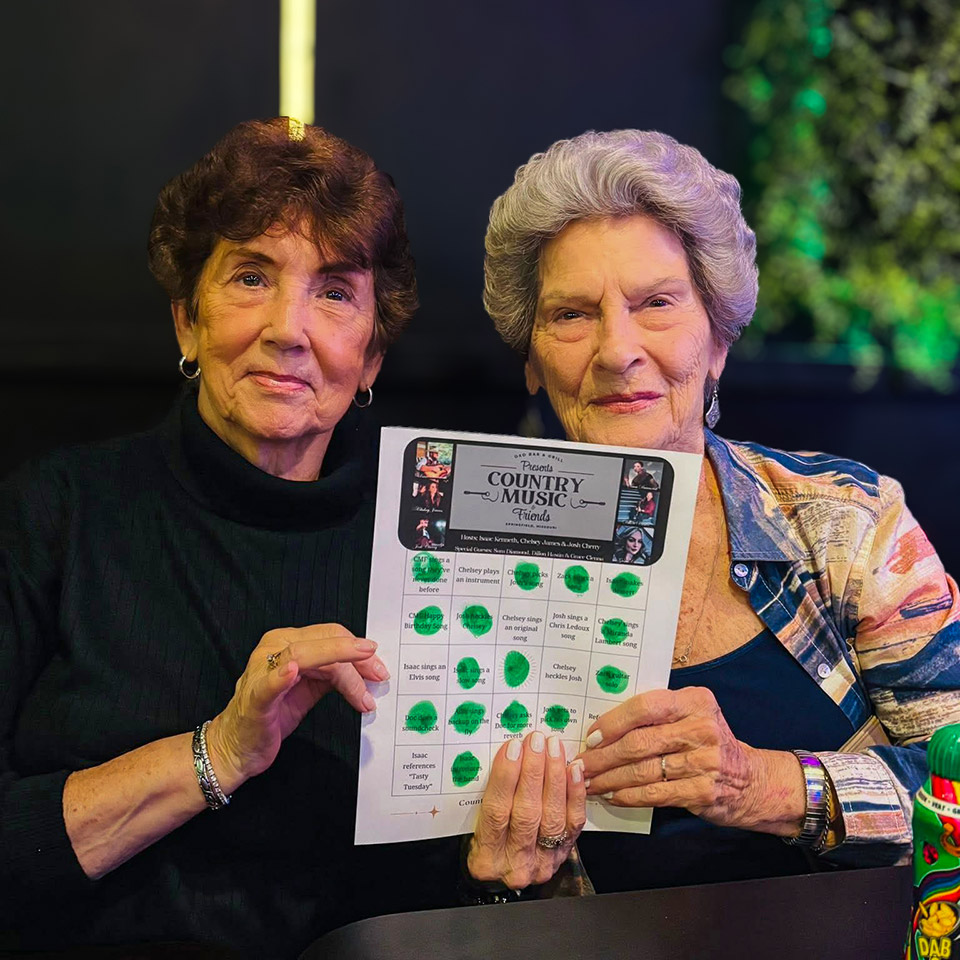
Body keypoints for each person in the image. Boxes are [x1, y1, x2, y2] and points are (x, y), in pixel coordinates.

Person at [0, 118, 458, 957]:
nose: (288, 329)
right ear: (187, 321)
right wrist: (217, 753)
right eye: (251, 276)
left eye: (333, 292)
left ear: (372, 355)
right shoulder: (51, 515)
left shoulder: (441, 548)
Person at [465, 129, 960, 897]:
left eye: (656, 303)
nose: (616, 350)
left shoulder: (848, 523)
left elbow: (955, 788)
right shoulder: (463, 572)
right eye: (571, 315)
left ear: (718, 336)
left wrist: (758, 785)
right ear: (531, 357)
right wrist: (507, 891)